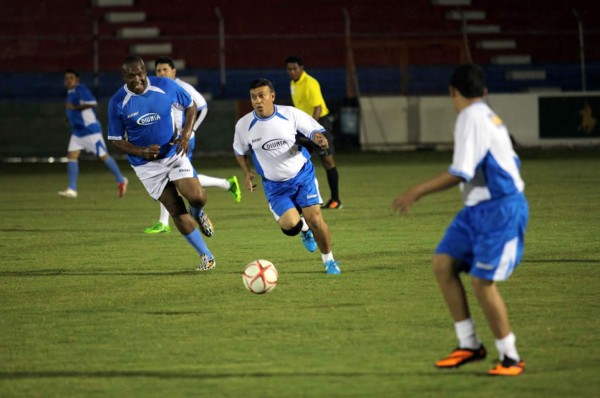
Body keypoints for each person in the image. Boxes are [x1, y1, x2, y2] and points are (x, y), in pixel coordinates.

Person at [391, 64, 529, 376]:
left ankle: (510, 357)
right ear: (484, 91)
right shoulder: (487, 114)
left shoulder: (471, 117)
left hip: (499, 209)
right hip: (476, 209)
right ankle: (469, 345)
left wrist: (417, 191)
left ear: (453, 92)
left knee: (482, 283)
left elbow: (460, 172)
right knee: (443, 263)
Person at [107, 56, 216, 271]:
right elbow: (116, 140)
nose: (137, 79)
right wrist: (141, 151)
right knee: (175, 209)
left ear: (145, 72)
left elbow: (191, 106)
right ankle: (207, 255)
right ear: (124, 77)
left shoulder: (165, 85)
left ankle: (198, 212)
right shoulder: (118, 102)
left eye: (140, 74)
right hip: (145, 166)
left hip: (173, 152)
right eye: (131, 76)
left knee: (197, 196)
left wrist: (186, 134)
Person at [233, 78, 341, 275]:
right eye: (253, 97)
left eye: (262, 96)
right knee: (290, 225)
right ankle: (304, 230)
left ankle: (329, 261)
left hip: (302, 175)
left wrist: (319, 138)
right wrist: (246, 172)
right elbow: (239, 150)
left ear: (272, 96)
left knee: (316, 219)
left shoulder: (290, 114)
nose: (257, 101)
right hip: (275, 186)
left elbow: (315, 130)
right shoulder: (244, 125)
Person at [143, 56, 241, 234]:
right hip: (167, 140)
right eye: (158, 70)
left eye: (165, 70)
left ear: (174, 71)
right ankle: (227, 184)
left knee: (175, 177)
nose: (162, 73)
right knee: (179, 177)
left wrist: (190, 132)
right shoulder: (156, 89)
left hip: (182, 141)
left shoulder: (183, 87)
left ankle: (164, 221)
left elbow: (202, 107)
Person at [58, 68, 128, 198]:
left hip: (90, 131)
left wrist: (75, 108)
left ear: (77, 80)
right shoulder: (71, 92)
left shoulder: (81, 90)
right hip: (78, 132)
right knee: (71, 156)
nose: (68, 81)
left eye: (71, 78)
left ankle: (121, 179)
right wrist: (69, 117)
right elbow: (73, 109)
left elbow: (92, 103)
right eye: (66, 78)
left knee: (103, 156)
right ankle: (72, 189)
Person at [285, 56, 342, 210]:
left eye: (294, 68)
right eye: (289, 69)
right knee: (296, 161)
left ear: (302, 68)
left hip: (318, 123)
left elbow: (317, 107)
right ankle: (299, 201)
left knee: (328, 161)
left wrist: (312, 130)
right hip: (303, 125)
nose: (292, 72)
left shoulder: (310, 82)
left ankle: (335, 200)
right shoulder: (293, 83)